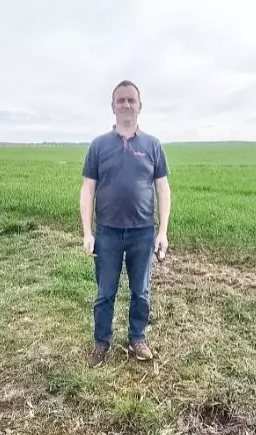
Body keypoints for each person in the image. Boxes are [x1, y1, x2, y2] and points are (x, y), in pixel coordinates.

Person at [79, 80, 171, 368]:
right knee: (105, 292)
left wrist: (163, 231)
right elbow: (88, 189)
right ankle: (101, 343)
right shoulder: (98, 146)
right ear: (113, 106)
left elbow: (163, 189)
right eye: (121, 100)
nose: (126, 104)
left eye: (131, 100)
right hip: (107, 232)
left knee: (141, 291)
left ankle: (137, 338)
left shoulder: (153, 145)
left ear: (140, 106)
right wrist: (87, 232)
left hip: (142, 232)